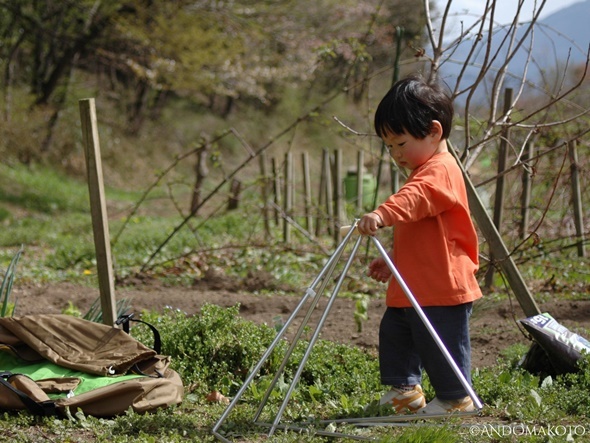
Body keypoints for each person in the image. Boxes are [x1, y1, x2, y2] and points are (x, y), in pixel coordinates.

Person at [357, 74, 483, 414]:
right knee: (396, 332)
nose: (396, 154)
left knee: (439, 343)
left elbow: (414, 199)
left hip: (441, 283)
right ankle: (405, 391)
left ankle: (456, 398)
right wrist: (395, 259)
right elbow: (421, 232)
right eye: (389, 146)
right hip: (414, 281)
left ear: (434, 132)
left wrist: (382, 214)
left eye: (400, 143)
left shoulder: (439, 171)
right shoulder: (423, 169)